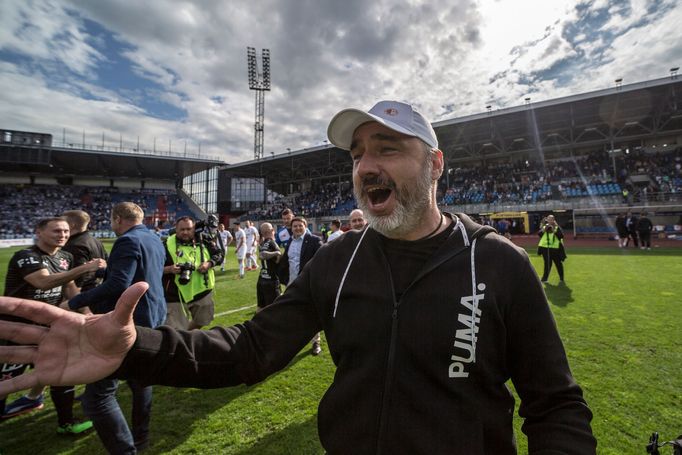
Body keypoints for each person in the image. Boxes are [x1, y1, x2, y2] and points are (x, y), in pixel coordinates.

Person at [0, 100, 596, 454]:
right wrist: (133, 349)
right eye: (358, 154)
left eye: (386, 149)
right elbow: (246, 351)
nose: (366, 166)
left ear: (434, 164)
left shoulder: (497, 263)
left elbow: (556, 404)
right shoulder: (339, 260)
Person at [65, 202, 166, 454]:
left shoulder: (126, 241)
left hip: (131, 320)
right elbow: (140, 274)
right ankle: (140, 439)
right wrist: (107, 270)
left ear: (118, 219)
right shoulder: (154, 238)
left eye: (111, 220)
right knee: (141, 380)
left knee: (97, 395)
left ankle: (126, 450)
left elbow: (119, 285)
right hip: (153, 315)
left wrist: (74, 302)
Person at [1, 217, 104, 434]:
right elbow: (43, 282)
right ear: (39, 232)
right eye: (57, 231)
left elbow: (70, 289)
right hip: (16, 331)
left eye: (66, 231)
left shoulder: (65, 256)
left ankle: (66, 424)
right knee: (6, 382)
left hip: (49, 329)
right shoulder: (26, 257)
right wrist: (84, 269)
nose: (63, 235)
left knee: (62, 375)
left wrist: (87, 314)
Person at [163, 216, 223, 330]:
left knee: (204, 320)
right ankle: (183, 341)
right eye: (182, 229)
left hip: (202, 291)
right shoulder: (165, 244)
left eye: (189, 229)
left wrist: (209, 263)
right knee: (175, 331)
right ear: (176, 229)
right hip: (175, 295)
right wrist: (170, 269)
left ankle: (188, 336)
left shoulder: (204, 239)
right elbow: (153, 267)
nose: (185, 232)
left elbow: (219, 255)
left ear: (194, 228)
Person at [278, 216, 323, 355]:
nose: (297, 228)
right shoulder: (290, 241)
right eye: (295, 226)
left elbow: (322, 259)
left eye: (300, 226)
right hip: (292, 283)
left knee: (311, 313)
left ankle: (315, 342)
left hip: (308, 283)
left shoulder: (314, 240)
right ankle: (292, 339)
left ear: (305, 226)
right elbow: (286, 260)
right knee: (292, 311)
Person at [62, 210, 108, 292]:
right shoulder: (96, 241)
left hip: (81, 294)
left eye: (63, 222)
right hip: (97, 288)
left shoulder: (74, 245)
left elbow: (79, 278)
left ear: (71, 225)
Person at [256, 223, 282, 312]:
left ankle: (258, 325)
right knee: (276, 309)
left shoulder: (262, 243)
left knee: (261, 307)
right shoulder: (271, 242)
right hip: (271, 281)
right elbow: (262, 255)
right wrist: (277, 253)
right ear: (272, 231)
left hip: (261, 279)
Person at [537, 214, 566, 283]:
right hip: (545, 248)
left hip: (555, 248)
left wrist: (554, 230)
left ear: (553, 220)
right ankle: (544, 279)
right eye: (548, 219)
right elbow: (539, 234)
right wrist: (544, 229)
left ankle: (561, 278)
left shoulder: (557, 227)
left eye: (551, 219)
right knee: (547, 264)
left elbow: (561, 236)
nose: (549, 221)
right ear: (547, 220)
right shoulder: (545, 226)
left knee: (558, 263)